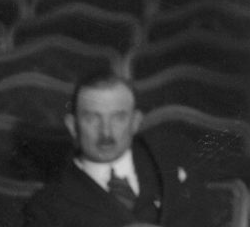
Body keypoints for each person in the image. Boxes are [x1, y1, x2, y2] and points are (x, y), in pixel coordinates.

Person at [23, 71, 216, 227]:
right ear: (73, 126)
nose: (106, 131)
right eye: (92, 118)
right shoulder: (47, 205)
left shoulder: (171, 162)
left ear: (135, 122)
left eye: (118, 118)